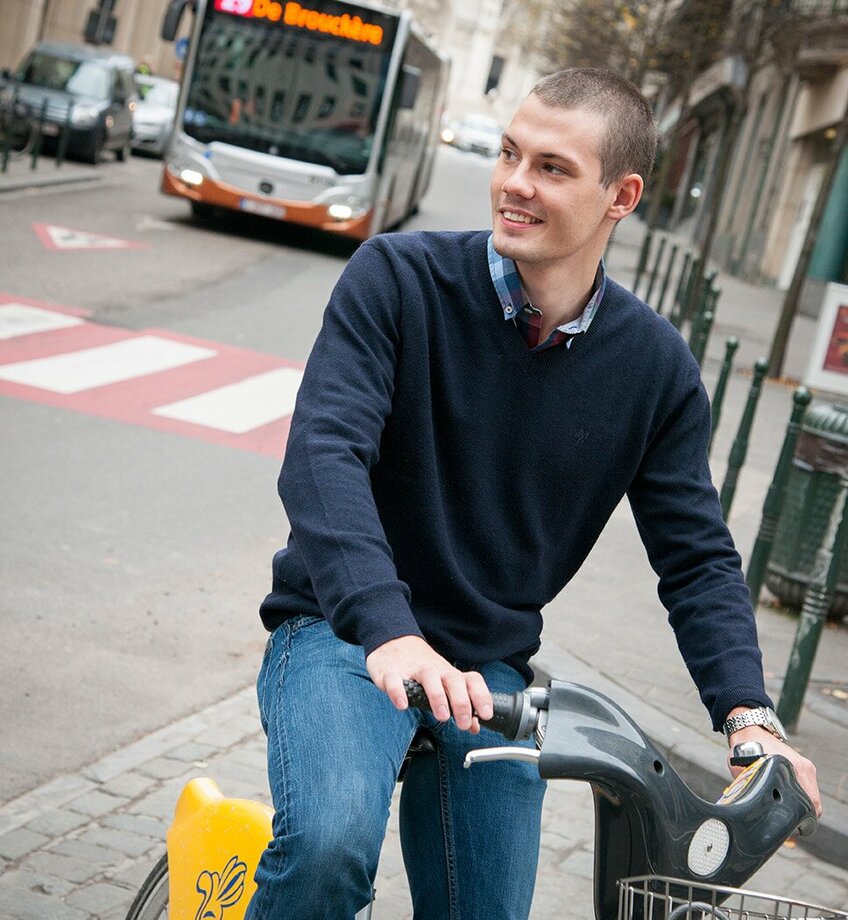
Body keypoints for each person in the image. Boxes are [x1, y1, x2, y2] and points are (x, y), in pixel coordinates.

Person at [247, 67, 821, 920]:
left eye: (551, 167)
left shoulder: (654, 370)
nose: (514, 183)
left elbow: (697, 558)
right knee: (329, 848)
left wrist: (749, 716)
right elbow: (323, 456)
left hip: (489, 676)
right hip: (342, 632)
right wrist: (389, 630)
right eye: (511, 154)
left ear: (620, 195)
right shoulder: (396, 278)